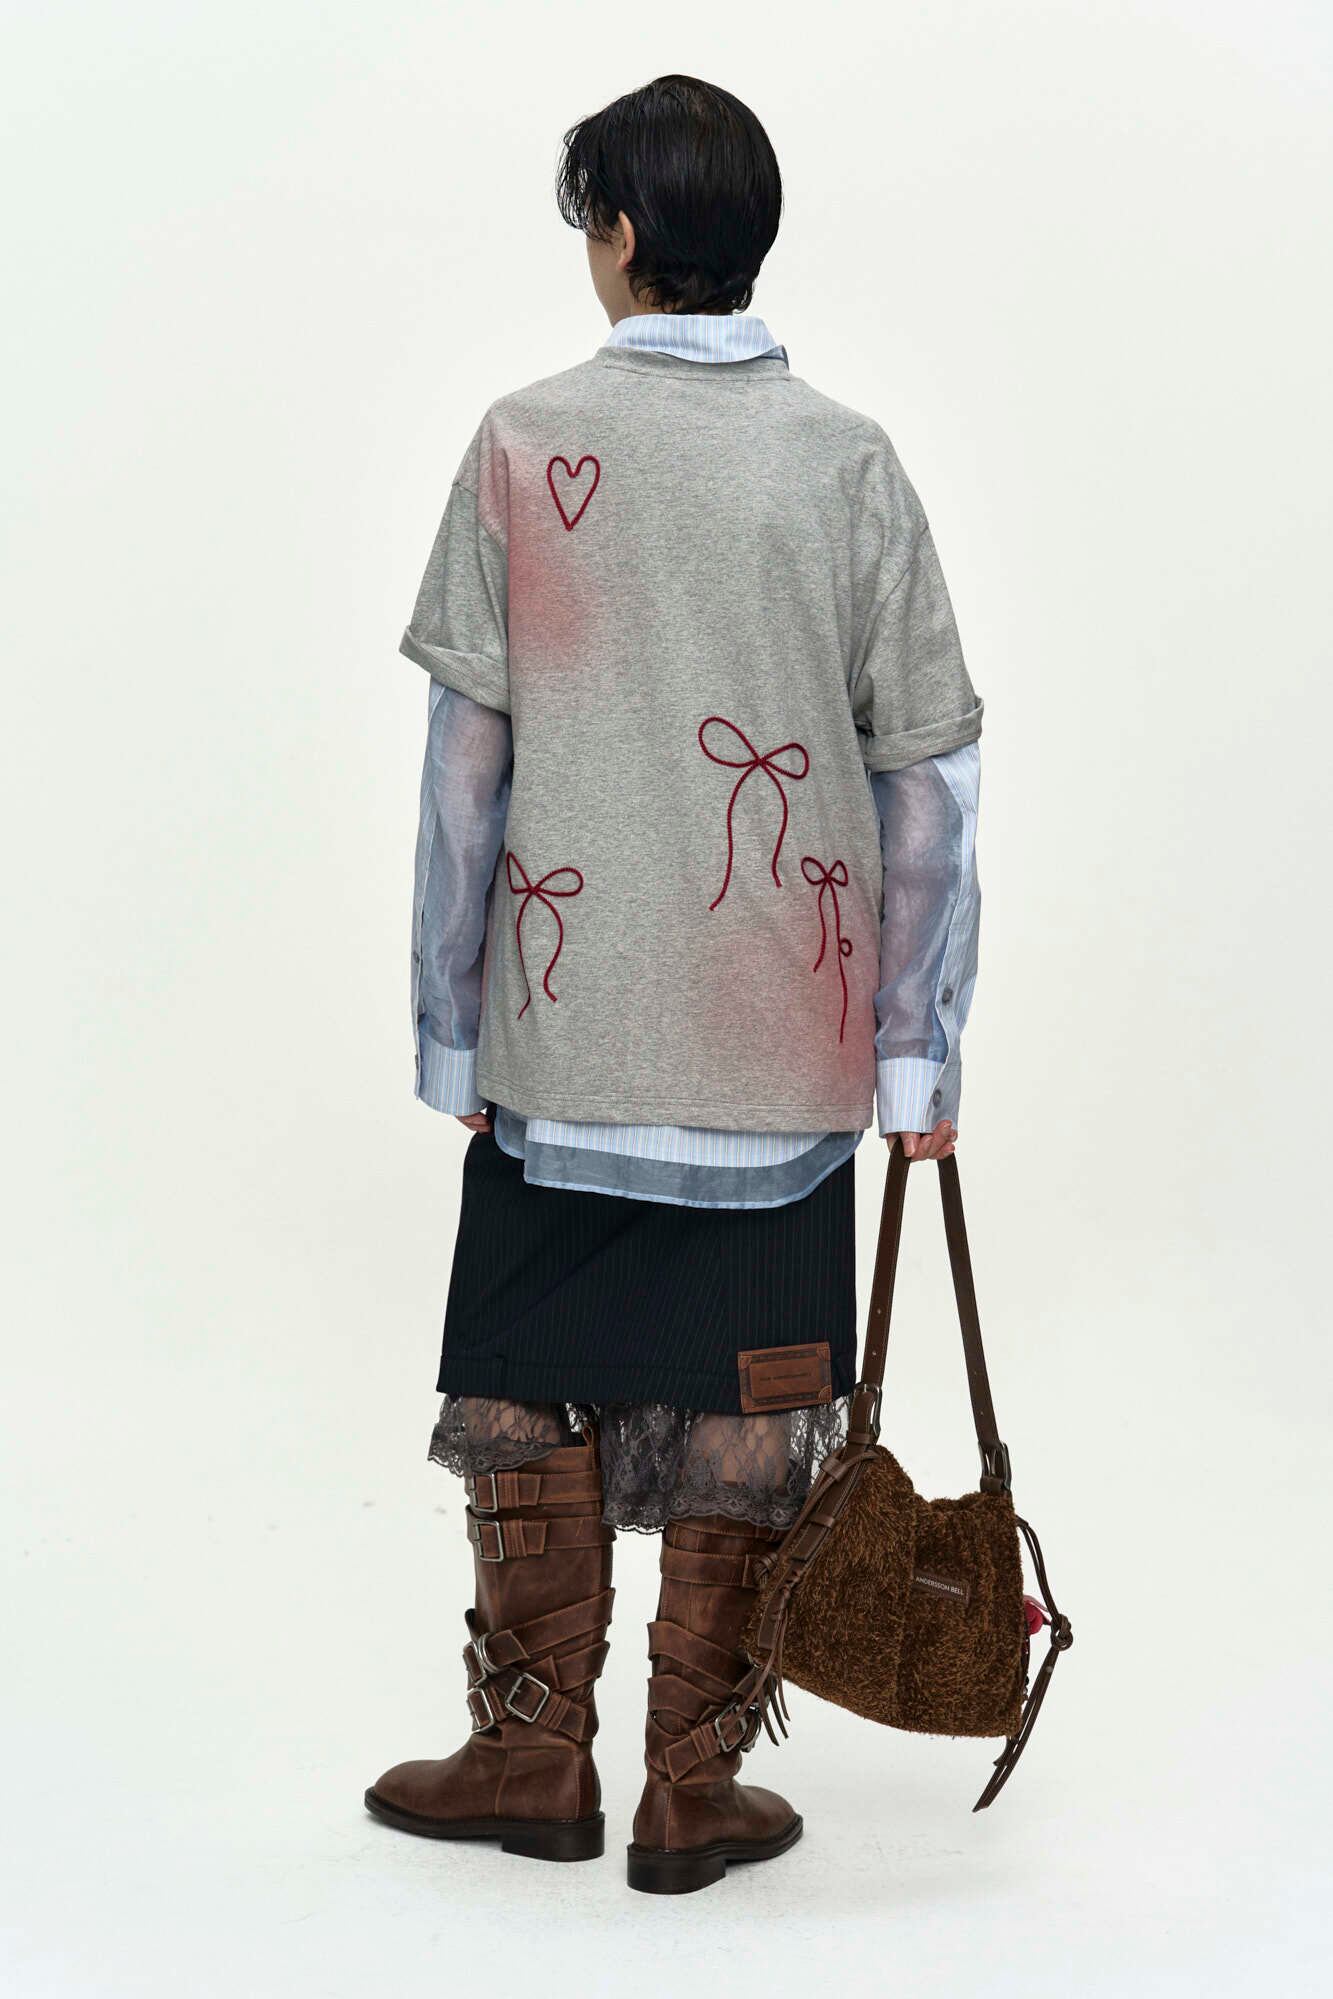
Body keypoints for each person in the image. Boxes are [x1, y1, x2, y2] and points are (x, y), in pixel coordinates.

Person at [365, 74, 982, 1895]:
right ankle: (690, 1788)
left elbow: (463, 770)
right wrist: (916, 1053)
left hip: (564, 1038)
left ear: (619, 233)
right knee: (749, 1403)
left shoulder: (521, 439)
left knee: (525, 1384)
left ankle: (526, 1754)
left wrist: (451, 1021)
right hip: (782, 1051)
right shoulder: (848, 462)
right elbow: (928, 784)